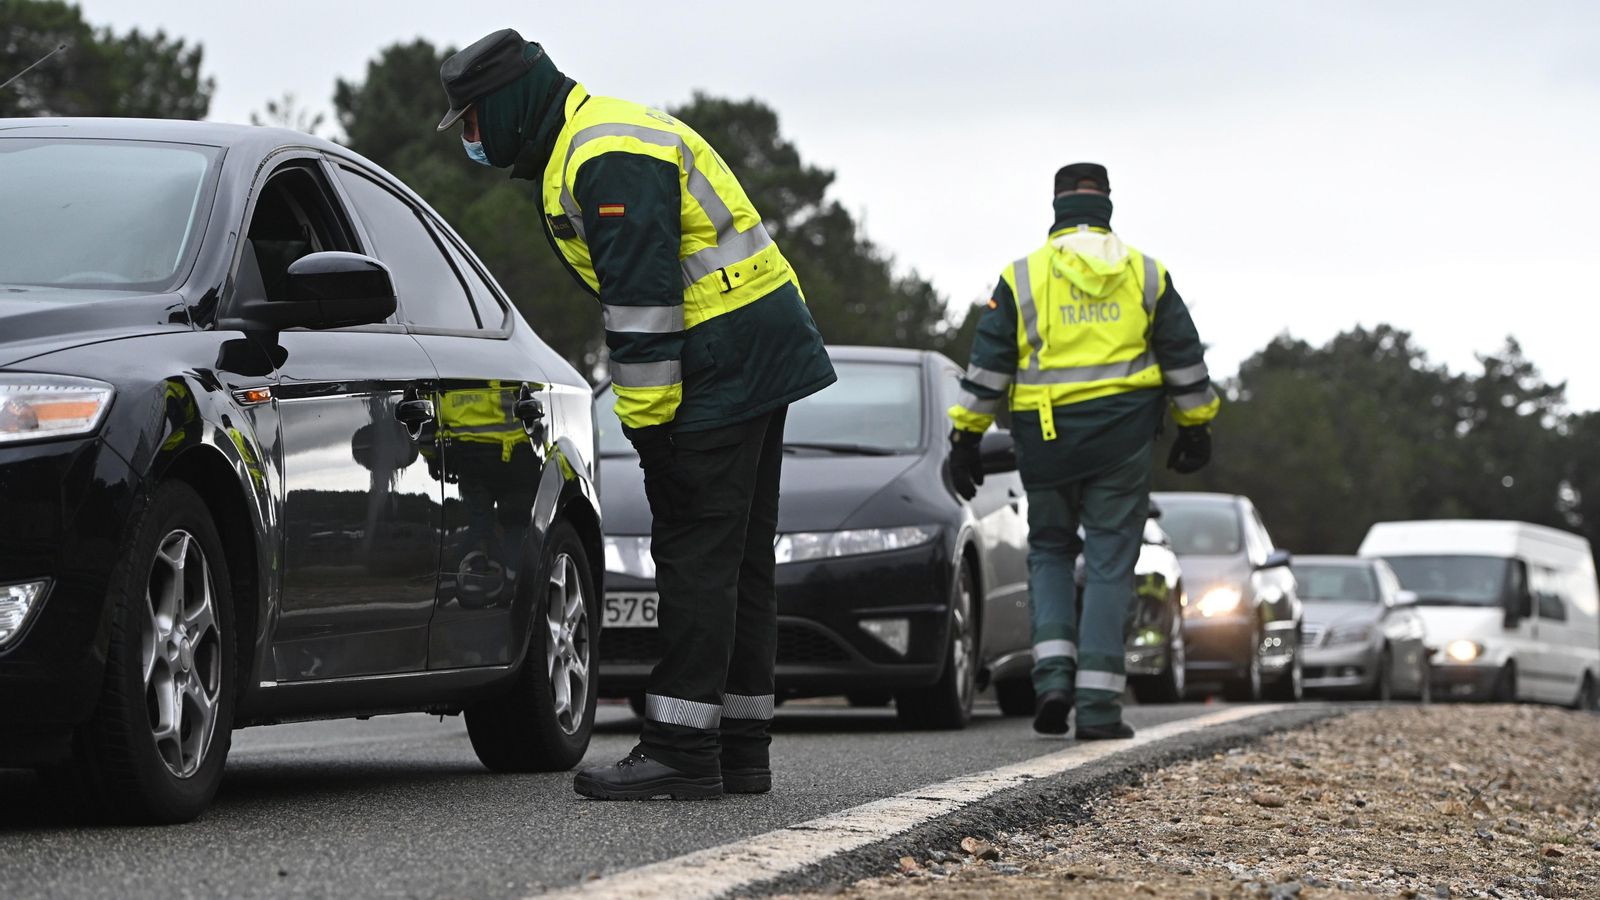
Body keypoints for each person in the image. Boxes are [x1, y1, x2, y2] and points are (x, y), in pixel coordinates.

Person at [436, 29, 835, 800]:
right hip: (755, 343)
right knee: (737, 558)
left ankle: (682, 749)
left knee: (695, 550)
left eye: (474, 122)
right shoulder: (598, 136)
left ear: (510, 103)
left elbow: (644, 307)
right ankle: (738, 747)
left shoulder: (601, 152)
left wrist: (649, 431)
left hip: (722, 352)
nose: (473, 141)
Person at [947, 163, 1218, 740]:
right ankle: (1097, 707)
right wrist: (1195, 425)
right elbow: (1183, 357)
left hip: (1046, 442)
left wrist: (966, 437)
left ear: (1057, 205)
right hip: (1122, 441)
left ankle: (1051, 680)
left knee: (1048, 551)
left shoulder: (1022, 276)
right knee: (1109, 564)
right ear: (1107, 204)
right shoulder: (1147, 274)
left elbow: (988, 367)